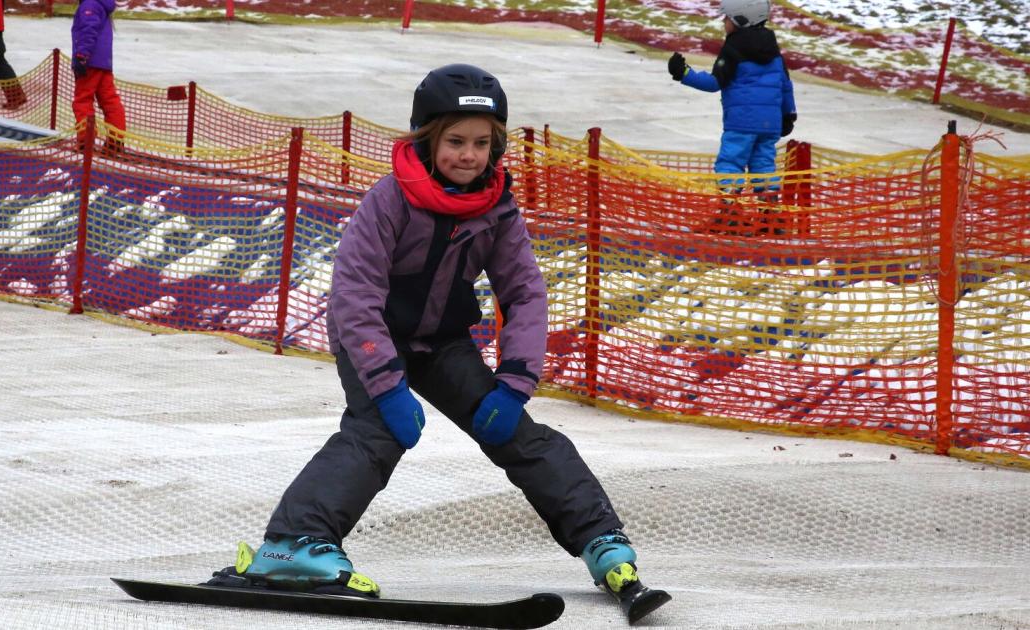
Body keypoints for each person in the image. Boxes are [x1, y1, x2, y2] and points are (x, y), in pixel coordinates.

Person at [203, 64, 669, 620]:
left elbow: (523, 292)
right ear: (427, 139)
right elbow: (354, 295)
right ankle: (293, 545)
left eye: (480, 143)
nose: (468, 155)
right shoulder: (391, 200)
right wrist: (385, 382)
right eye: (454, 141)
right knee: (378, 431)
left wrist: (516, 380)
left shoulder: (495, 205)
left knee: (519, 435)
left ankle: (602, 542)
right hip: (372, 337)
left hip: (442, 342)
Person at [667, 0, 797, 233]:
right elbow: (785, 84)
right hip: (769, 125)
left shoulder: (734, 48)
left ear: (741, 19)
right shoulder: (773, 49)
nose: (723, 22)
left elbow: (715, 82)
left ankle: (731, 215)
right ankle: (771, 219)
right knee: (764, 166)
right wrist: (789, 114)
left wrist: (683, 74)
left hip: (741, 123)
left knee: (730, 164)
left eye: (727, 18)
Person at [70, 0, 125, 152]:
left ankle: (85, 142)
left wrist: (82, 56)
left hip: (90, 62)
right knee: (110, 100)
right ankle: (116, 141)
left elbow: (89, 30)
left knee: (82, 100)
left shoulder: (90, 5)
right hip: (104, 64)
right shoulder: (101, 5)